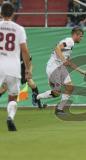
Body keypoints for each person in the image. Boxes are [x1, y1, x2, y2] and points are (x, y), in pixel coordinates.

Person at [36, 27, 86, 115]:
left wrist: (80, 71)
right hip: (53, 66)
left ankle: (59, 109)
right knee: (57, 92)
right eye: (81, 36)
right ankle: (37, 97)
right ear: (75, 35)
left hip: (60, 67)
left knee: (69, 88)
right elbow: (57, 48)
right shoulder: (69, 41)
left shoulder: (70, 45)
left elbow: (68, 62)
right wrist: (63, 60)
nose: (81, 38)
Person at [0, 2, 31, 131]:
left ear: (0, 13)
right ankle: (10, 117)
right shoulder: (19, 29)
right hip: (13, 67)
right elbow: (24, 50)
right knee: (13, 96)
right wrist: (28, 69)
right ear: (13, 13)